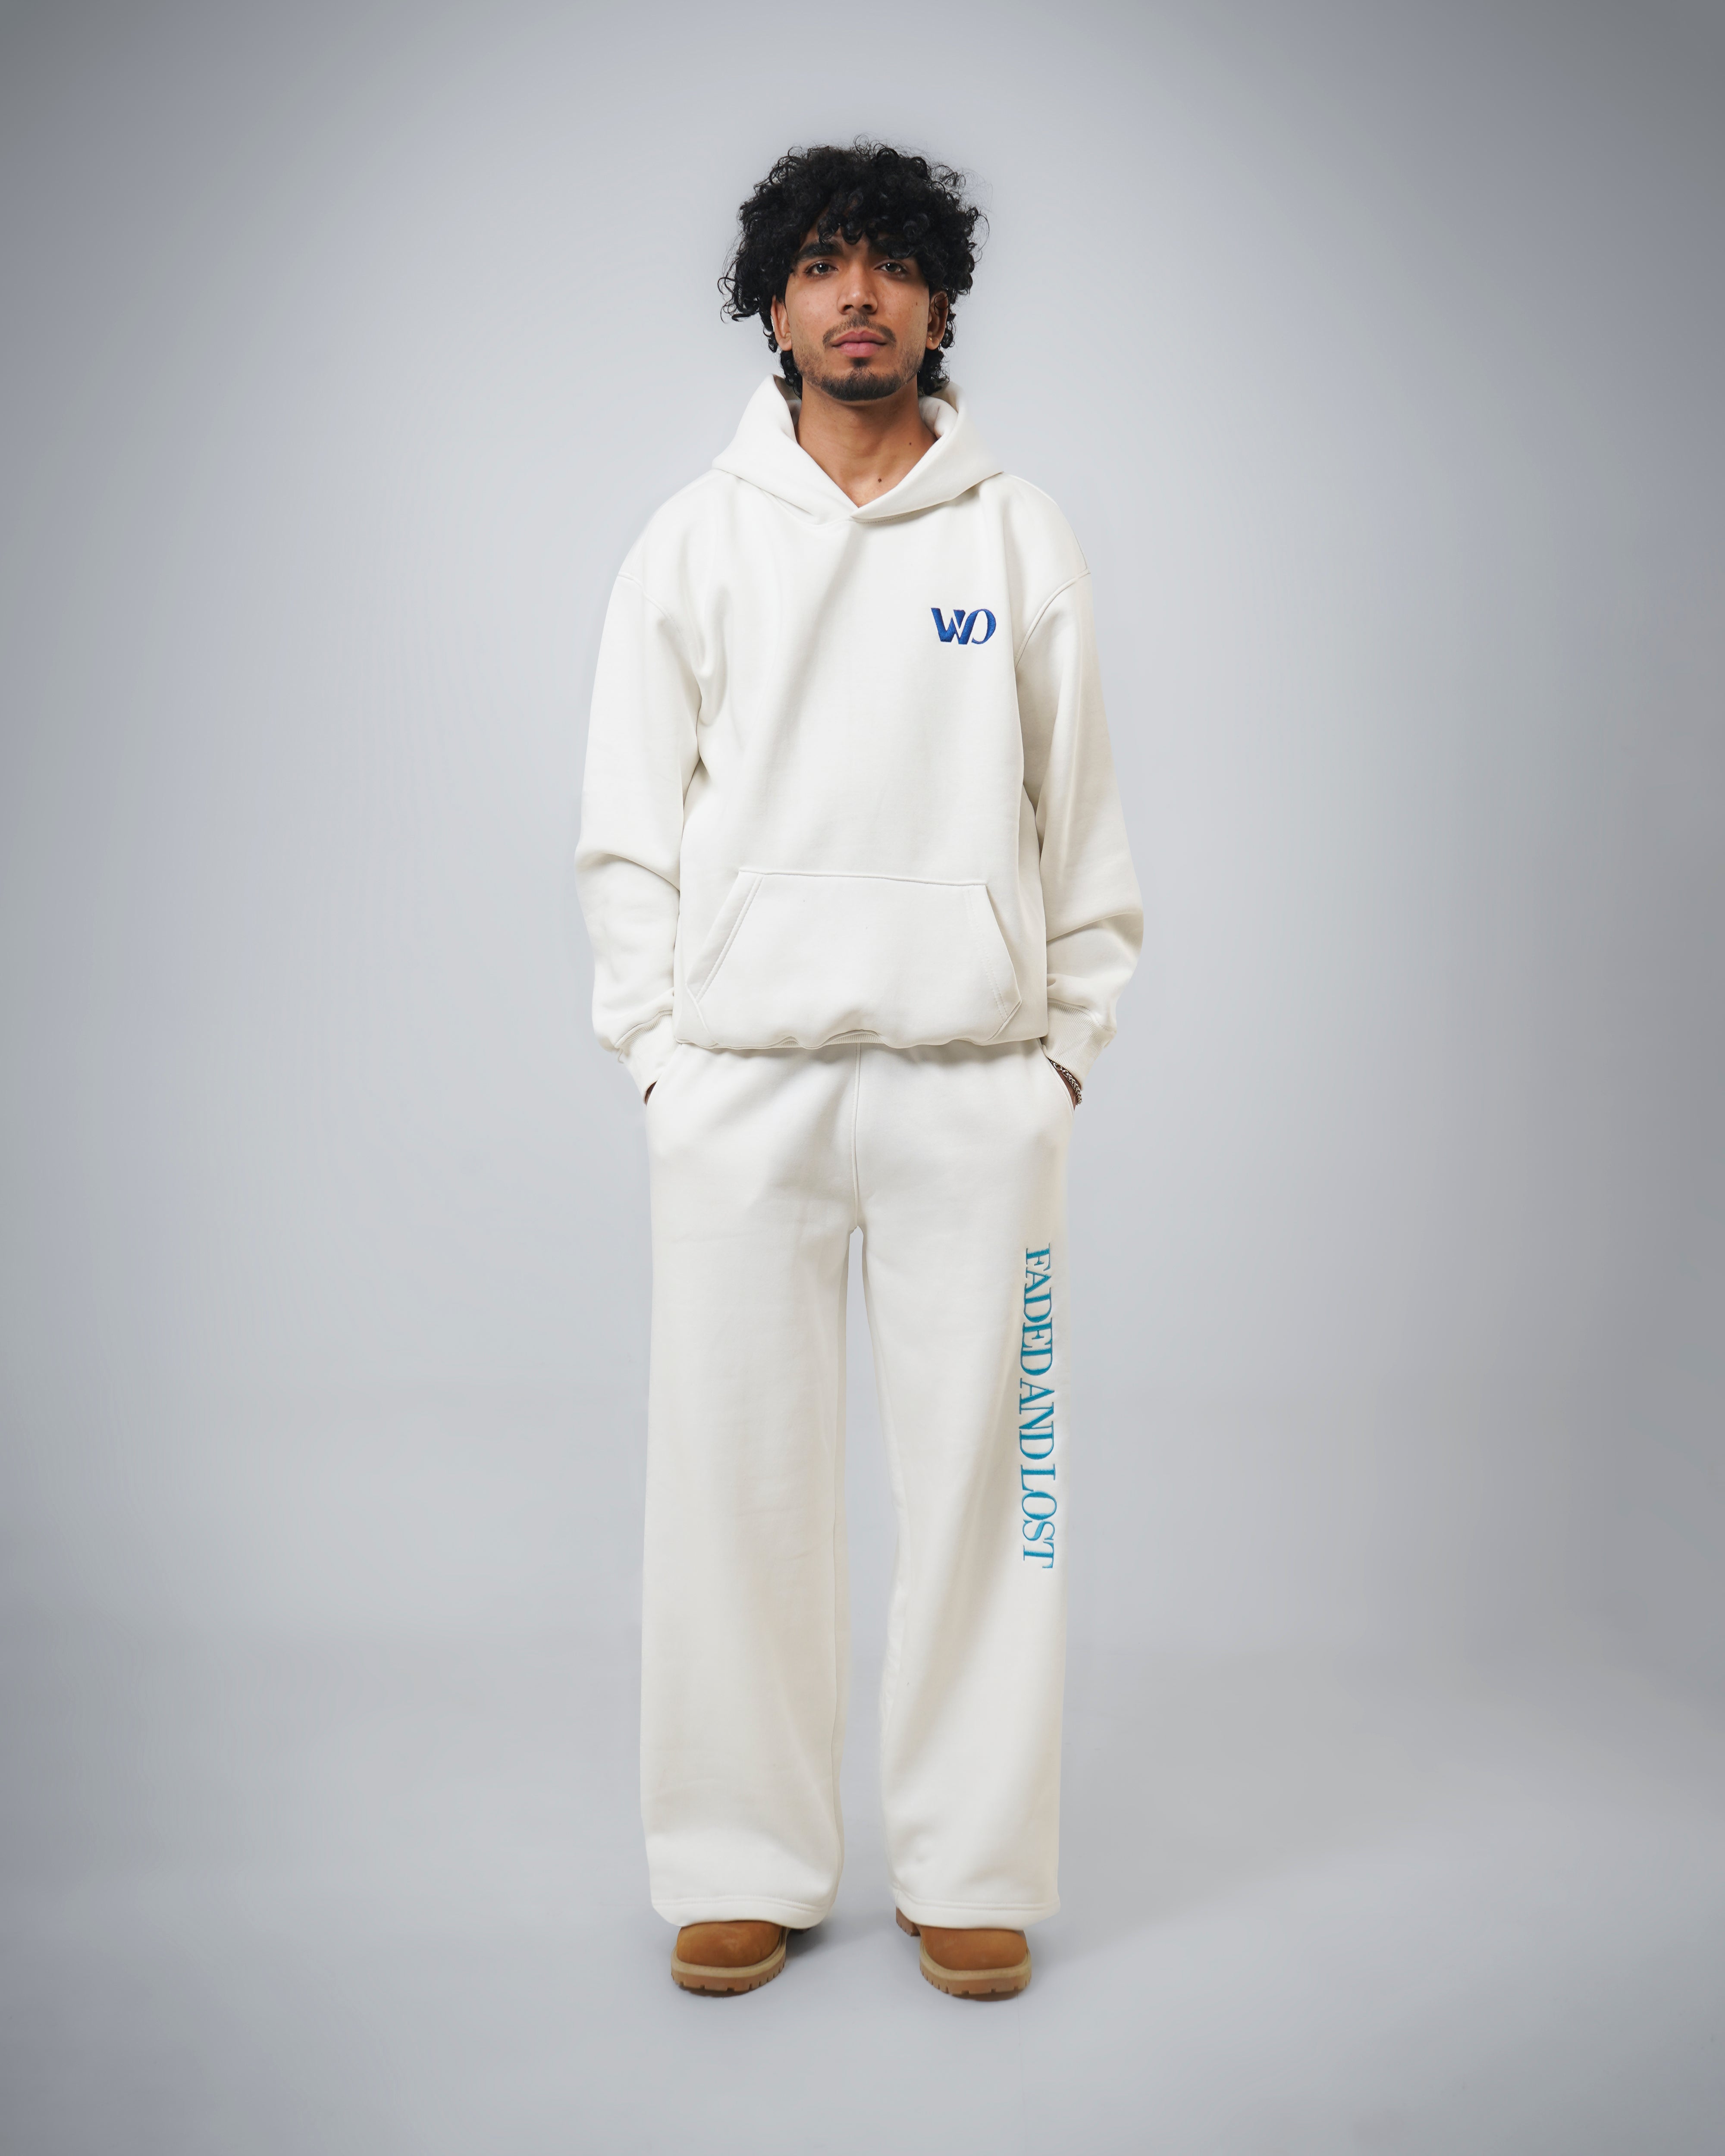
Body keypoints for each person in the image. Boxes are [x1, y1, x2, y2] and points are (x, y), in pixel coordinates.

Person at [574, 141, 1141, 1999]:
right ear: (773, 305)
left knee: (997, 1497)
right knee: (731, 1492)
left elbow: (1082, 817)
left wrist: (1062, 1056)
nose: (859, 296)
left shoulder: (1017, 536)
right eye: (823, 264)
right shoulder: (694, 538)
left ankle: (970, 1865)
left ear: (940, 301)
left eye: (892, 264)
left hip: (978, 1093)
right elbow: (625, 829)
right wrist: (660, 1060)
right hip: (742, 1091)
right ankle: (739, 1859)